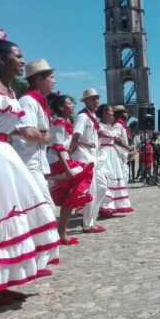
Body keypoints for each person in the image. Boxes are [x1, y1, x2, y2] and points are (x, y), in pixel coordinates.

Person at [0, 27, 59, 306]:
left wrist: (18, 133)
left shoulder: (11, 90)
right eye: (18, 56)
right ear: (1, 60)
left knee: (10, 217)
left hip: (3, 155)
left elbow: (1, 124)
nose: (22, 61)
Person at [46, 93, 94, 245]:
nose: (73, 106)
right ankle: (59, 232)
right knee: (67, 195)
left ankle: (62, 232)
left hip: (64, 159)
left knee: (69, 197)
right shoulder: (59, 122)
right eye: (70, 103)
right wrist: (67, 168)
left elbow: (65, 146)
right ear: (61, 107)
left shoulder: (64, 121)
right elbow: (58, 146)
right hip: (58, 161)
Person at [12, 59, 56, 210]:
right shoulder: (28, 101)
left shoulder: (39, 102)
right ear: (38, 80)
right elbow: (29, 132)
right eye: (51, 77)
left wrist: (43, 136)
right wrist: (44, 136)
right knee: (46, 207)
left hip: (36, 161)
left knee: (36, 208)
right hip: (28, 161)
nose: (54, 81)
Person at [70, 88, 107, 233]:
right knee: (91, 189)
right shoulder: (83, 117)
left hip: (93, 156)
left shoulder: (92, 117)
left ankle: (90, 216)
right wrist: (83, 145)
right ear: (85, 101)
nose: (96, 101)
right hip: (83, 156)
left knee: (102, 186)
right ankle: (88, 223)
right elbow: (75, 137)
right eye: (92, 99)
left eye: (97, 98)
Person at [97, 104, 133, 215]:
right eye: (110, 111)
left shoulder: (110, 126)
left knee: (115, 179)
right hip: (104, 153)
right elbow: (98, 141)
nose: (112, 113)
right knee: (107, 179)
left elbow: (117, 139)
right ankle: (104, 207)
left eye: (113, 111)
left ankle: (111, 206)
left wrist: (127, 147)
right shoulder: (100, 126)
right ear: (104, 112)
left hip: (112, 154)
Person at [113, 105, 134, 183]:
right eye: (125, 112)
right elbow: (114, 138)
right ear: (119, 114)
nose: (127, 114)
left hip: (122, 157)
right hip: (119, 158)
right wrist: (127, 147)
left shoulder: (121, 125)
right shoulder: (118, 125)